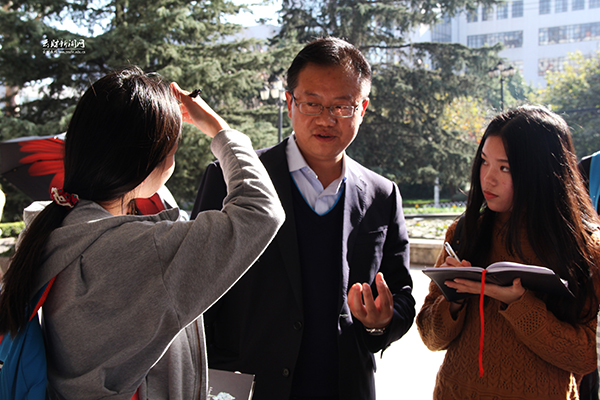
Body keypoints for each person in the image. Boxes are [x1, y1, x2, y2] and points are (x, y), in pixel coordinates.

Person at [0, 66, 285, 399]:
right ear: (147, 163)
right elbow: (259, 211)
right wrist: (221, 131)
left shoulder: (57, 228)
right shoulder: (141, 251)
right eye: (172, 149)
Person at [191, 37, 415, 400]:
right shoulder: (231, 178)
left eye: (342, 107)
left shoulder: (381, 194)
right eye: (312, 103)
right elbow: (197, 289)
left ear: (363, 108)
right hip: (246, 386)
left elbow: (403, 295)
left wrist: (380, 324)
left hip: (344, 387)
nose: (326, 119)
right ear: (289, 101)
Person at [416, 105, 600, 399]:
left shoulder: (585, 247)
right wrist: (455, 301)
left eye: (505, 168)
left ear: (544, 173)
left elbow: (586, 356)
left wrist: (520, 304)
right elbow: (430, 337)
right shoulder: (465, 233)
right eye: (484, 162)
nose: (487, 179)